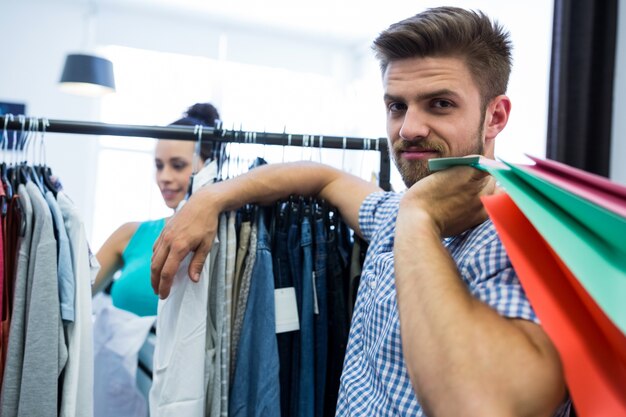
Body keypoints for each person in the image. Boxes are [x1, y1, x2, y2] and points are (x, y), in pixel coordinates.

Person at [151, 7, 570, 417]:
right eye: (396, 106)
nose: (409, 129)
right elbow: (322, 179)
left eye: (440, 104)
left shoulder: (530, 245)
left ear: (495, 116)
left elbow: (482, 406)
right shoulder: (393, 210)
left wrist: (418, 218)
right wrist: (210, 197)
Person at [92, 102, 220, 317]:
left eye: (177, 165)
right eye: (159, 166)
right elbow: (72, 296)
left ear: (209, 166)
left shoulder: (223, 239)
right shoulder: (129, 234)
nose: (164, 177)